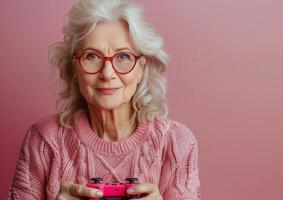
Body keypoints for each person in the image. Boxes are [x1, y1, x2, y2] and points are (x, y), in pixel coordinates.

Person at [8, 0, 200, 199]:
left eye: (124, 56)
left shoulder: (177, 143)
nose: (107, 74)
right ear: (75, 68)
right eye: (92, 56)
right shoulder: (43, 140)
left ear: (142, 68)